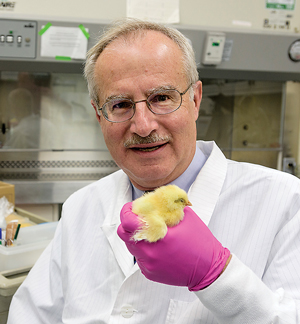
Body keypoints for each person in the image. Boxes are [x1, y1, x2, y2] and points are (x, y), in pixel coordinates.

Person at [7, 18, 300, 323]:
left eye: (161, 98)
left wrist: (218, 276)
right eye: (120, 104)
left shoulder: (286, 204)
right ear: (98, 115)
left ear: (195, 100)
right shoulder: (81, 207)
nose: (143, 126)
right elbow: (29, 314)